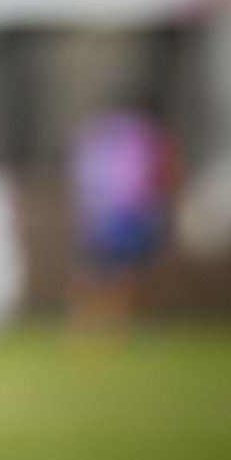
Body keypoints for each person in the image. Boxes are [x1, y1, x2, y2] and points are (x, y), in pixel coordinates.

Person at [68, 108, 176, 328]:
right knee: (116, 270)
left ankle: (105, 320)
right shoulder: (135, 138)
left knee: (115, 270)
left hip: (116, 215)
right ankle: (105, 320)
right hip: (120, 215)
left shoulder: (104, 139)